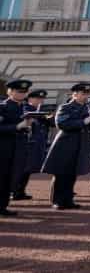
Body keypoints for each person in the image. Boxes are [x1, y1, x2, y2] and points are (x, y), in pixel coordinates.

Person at [42, 81, 90, 209]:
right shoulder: (65, 107)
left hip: (80, 146)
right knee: (61, 174)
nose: (86, 96)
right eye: (83, 93)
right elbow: (62, 124)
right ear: (75, 94)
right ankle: (57, 201)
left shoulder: (86, 109)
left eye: (87, 94)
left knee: (72, 174)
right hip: (65, 145)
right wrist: (84, 121)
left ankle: (68, 200)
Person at [1, 78, 34, 217]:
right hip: (3, 148)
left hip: (19, 147)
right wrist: (16, 127)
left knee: (11, 178)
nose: (22, 94)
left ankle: (2, 206)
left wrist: (28, 127)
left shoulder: (24, 108)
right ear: (10, 91)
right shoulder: (2, 107)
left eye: (24, 92)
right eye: (19, 92)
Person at [11, 87, 48, 202]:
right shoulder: (25, 109)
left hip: (36, 143)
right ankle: (15, 191)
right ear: (30, 98)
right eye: (37, 98)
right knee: (21, 169)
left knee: (28, 169)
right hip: (27, 143)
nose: (40, 101)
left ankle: (21, 191)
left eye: (41, 99)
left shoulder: (39, 111)